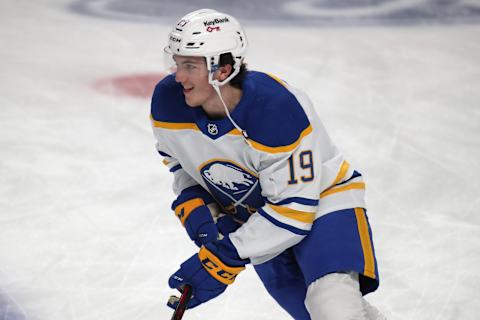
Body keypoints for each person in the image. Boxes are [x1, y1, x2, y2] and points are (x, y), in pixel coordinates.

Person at [151, 8, 385, 320]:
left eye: (190, 66)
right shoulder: (168, 104)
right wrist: (200, 211)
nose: (178, 76)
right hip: (257, 220)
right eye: (177, 63)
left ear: (222, 69)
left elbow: (295, 209)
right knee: (313, 315)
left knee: (331, 306)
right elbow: (181, 166)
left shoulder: (275, 108)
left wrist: (226, 256)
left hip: (322, 205)